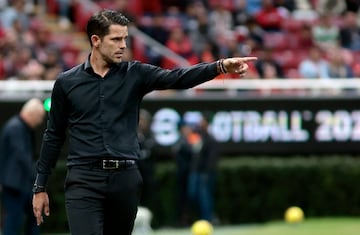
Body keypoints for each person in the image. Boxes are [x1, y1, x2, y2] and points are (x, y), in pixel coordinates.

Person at [31, 9, 257, 235]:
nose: (123, 45)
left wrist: (220, 66)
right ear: (96, 41)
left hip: (125, 179)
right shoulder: (67, 82)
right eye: (116, 39)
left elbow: (178, 78)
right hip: (83, 179)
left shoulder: (135, 74)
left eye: (125, 39)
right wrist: (40, 186)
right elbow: (54, 135)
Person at [0, 98, 45, 235]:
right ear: (32, 115)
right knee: (14, 221)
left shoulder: (19, 127)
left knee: (32, 218)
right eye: (39, 118)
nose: (40, 122)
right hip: (15, 185)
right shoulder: (15, 128)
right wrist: (38, 179)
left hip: (20, 184)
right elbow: (22, 157)